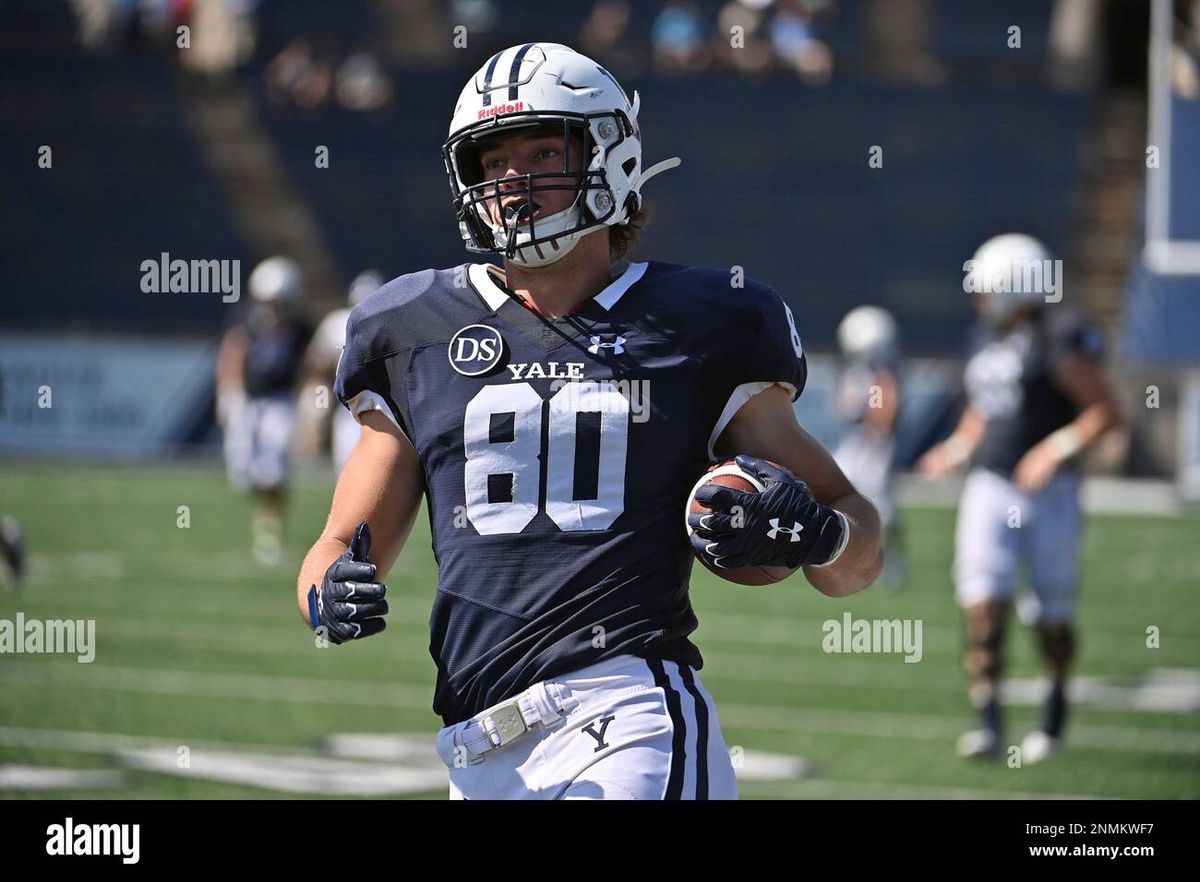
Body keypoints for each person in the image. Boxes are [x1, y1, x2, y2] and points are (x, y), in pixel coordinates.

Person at [297, 42, 881, 800]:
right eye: (495, 161)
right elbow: (339, 545)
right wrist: (326, 596)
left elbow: (856, 540)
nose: (516, 182)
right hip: (475, 748)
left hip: (628, 714)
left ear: (611, 157)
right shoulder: (412, 327)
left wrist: (820, 534)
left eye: (544, 150)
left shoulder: (699, 324)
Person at [918, 233, 1121, 763]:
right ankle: (987, 720)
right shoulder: (984, 340)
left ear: (1015, 284)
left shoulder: (1060, 336)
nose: (980, 298)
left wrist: (1053, 450)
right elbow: (985, 410)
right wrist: (958, 449)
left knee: (1050, 614)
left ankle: (1053, 712)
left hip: (1050, 492)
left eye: (988, 287)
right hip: (990, 485)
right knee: (982, 602)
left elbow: (1104, 411)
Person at [217, 256, 312, 565]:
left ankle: (268, 533)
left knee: (274, 472)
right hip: (248, 400)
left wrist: (307, 407)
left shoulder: (299, 328)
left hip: (279, 402)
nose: (275, 307)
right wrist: (228, 392)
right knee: (242, 474)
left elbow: (305, 367)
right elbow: (233, 351)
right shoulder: (246, 318)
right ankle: (264, 516)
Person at [833, 306, 905, 588]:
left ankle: (890, 561)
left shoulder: (882, 372)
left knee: (881, 507)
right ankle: (850, 555)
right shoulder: (857, 370)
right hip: (856, 441)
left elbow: (886, 408)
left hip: (873, 442)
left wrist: (878, 431)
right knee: (838, 493)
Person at [304, 270, 385, 475]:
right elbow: (315, 360)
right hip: (348, 406)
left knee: (376, 469)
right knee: (347, 467)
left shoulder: (388, 323)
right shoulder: (336, 323)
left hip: (381, 406)